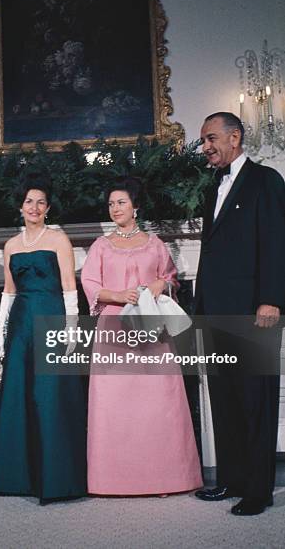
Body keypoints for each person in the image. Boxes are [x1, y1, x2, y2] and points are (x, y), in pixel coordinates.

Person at [81, 176, 202, 496]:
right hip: (113, 330)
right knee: (114, 404)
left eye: (121, 202)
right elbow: (90, 285)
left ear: (136, 206)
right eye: (111, 203)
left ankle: (167, 478)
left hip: (151, 330)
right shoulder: (100, 246)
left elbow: (170, 278)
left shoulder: (155, 244)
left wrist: (163, 284)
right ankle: (111, 481)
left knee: (157, 400)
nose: (115, 208)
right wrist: (120, 296)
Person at [194, 112, 285, 516]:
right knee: (225, 399)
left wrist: (272, 299)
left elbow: (277, 243)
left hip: (254, 311)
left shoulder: (266, 181)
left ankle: (259, 491)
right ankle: (232, 479)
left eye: (212, 138)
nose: (206, 147)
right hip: (215, 311)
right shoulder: (211, 185)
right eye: (203, 141)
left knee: (254, 401)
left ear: (235, 137)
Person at [0, 173, 86, 503]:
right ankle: (17, 479)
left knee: (50, 397)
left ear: (47, 208)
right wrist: (1, 336)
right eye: (29, 201)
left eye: (40, 202)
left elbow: (70, 288)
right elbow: (8, 292)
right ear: (20, 206)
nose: (34, 207)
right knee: (18, 396)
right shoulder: (11, 246)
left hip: (52, 318)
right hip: (20, 326)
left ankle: (58, 480)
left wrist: (72, 330)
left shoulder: (59, 239)